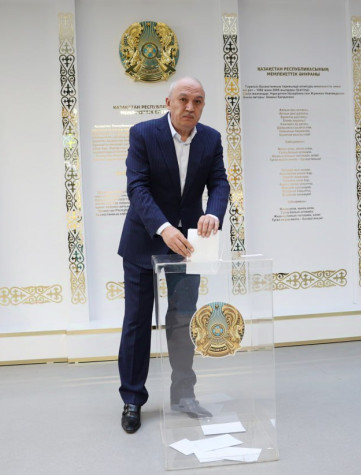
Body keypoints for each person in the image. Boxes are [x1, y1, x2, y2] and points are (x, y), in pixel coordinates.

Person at [117, 77, 230, 434]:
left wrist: (213, 213)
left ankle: (183, 396)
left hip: (189, 247)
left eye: (198, 101)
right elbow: (137, 187)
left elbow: (220, 183)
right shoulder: (143, 134)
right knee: (137, 322)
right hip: (144, 240)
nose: (190, 107)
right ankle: (132, 399)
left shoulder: (210, 139)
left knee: (183, 321)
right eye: (183, 99)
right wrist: (163, 227)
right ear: (168, 102)